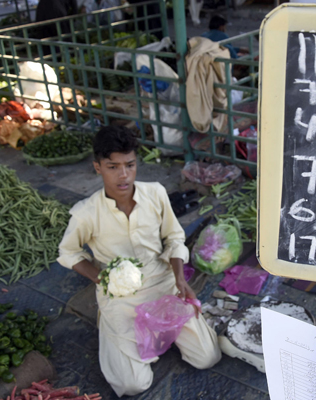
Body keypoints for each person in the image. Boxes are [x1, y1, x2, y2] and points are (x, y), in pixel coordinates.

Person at [58, 126, 221, 397]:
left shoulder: (155, 193)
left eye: (130, 165)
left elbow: (174, 237)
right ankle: (114, 328)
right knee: (133, 385)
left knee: (207, 358)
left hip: (163, 283)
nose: (123, 175)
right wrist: (102, 280)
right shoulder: (85, 213)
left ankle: (156, 335)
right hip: (121, 296)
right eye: (113, 167)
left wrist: (180, 279)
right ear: (97, 167)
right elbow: (69, 253)